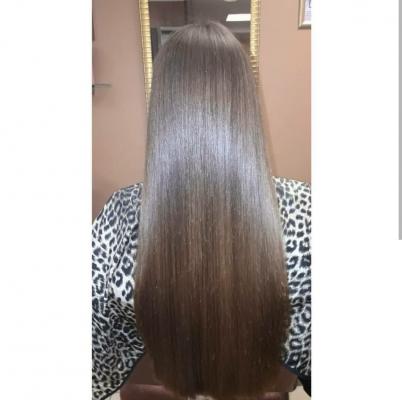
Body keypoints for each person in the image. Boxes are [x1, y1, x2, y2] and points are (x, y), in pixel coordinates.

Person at [92, 21, 311, 400]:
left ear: (163, 108)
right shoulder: (305, 211)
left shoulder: (121, 215)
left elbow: (96, 341)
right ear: (245, 103)